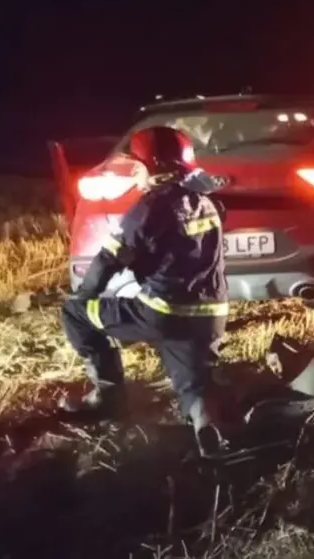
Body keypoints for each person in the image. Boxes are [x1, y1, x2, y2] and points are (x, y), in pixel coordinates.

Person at [59, 124, 230, 456]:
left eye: (137, 165)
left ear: (151, 166)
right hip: (209, 318)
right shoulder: (205, 202)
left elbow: (109, 258)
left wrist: (86, 294)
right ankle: (208, 430)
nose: (135, 172)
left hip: (162, 314)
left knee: (75, 314)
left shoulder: (152, 206)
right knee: (193, 388)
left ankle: (108, 397)